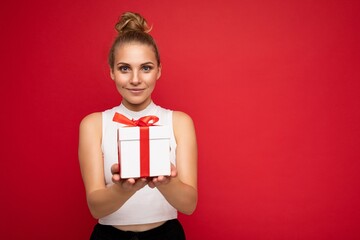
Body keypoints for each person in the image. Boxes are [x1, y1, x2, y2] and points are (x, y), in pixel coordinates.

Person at [78, 12, 198, 240]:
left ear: (159, 71)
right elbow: (96, 207)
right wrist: (125, 188)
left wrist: (165, 181)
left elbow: (189, 205)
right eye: (124, 68)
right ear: (111, 71)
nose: (135, 79)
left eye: (146, 68)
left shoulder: (179, 122)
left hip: (166, 235)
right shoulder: (93, 125)